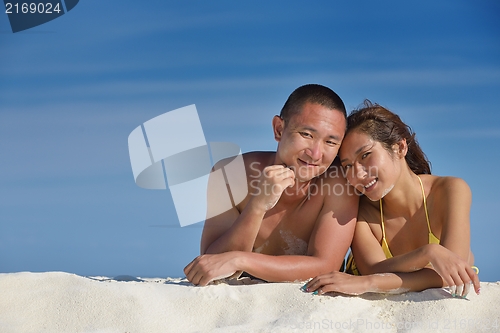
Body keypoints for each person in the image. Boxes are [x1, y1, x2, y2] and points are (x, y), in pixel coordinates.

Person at [184, 84, 358, 286]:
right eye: (307, 135)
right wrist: (258, 205)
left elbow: (326, 266)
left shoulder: (340, 183)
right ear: (279, 129)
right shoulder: (230, 174)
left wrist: (241, 260)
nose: (316, 154)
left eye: (330, 142)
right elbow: (210, 263)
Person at [303, 100, 480, 298]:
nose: (358, 174)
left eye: (366, 155)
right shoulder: (361, 209)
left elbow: (452, 272)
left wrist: (369, 282)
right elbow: (373, 269)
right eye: (348, 166)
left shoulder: (450, 190)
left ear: (400, 147)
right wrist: (428, 253)